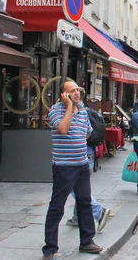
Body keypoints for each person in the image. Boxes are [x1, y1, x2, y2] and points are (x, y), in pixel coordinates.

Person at [43, 81, 102, 258]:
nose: (77, 93)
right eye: (72, 91)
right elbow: (62, 129)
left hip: (82, 164)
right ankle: (50, 248)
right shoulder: (55, 110)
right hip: (64, 166)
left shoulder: (83, 110)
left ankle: (87, 241)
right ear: (64, 95)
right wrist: (69, 107)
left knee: (84, 202)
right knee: (57, 206)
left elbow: (88, 132)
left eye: (78, 90)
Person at [67, 89, 111, 232]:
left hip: (80, 154)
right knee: (81, 187)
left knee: (75, 189)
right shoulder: (88, 111)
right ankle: (76, 218)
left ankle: (99, 211)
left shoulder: (78, 113)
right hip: (90, 153)